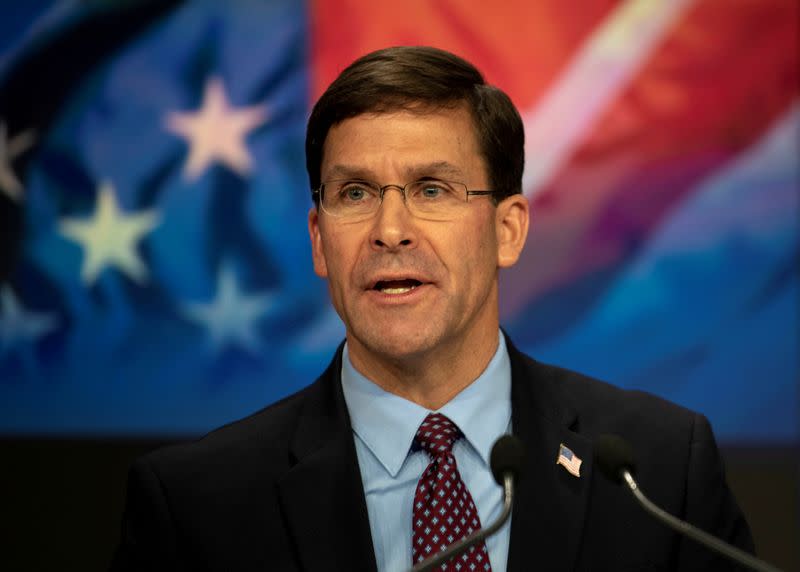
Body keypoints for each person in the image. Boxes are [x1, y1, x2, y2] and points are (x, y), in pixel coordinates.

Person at [111, 46, 753, 572]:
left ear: (508, 229)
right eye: (356, 192)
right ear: (319, 241)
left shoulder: (659, 474)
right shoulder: (196, 505)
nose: (391, 229)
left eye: (432, 189)